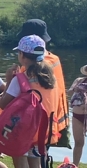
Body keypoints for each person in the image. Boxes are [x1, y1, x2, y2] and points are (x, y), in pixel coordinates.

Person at [0, 35, 58, 168]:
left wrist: (8, 80)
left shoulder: (20, 79)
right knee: (36, 167)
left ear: (23, 56)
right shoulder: (49, 78)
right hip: (42, 132)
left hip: (23, 131)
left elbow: (2, 104)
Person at [19, 19, 69, 148]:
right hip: (55, 116)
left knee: (35, 158)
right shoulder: (54, 58)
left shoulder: (30, 66)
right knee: (42, 156)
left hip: (36, 120)